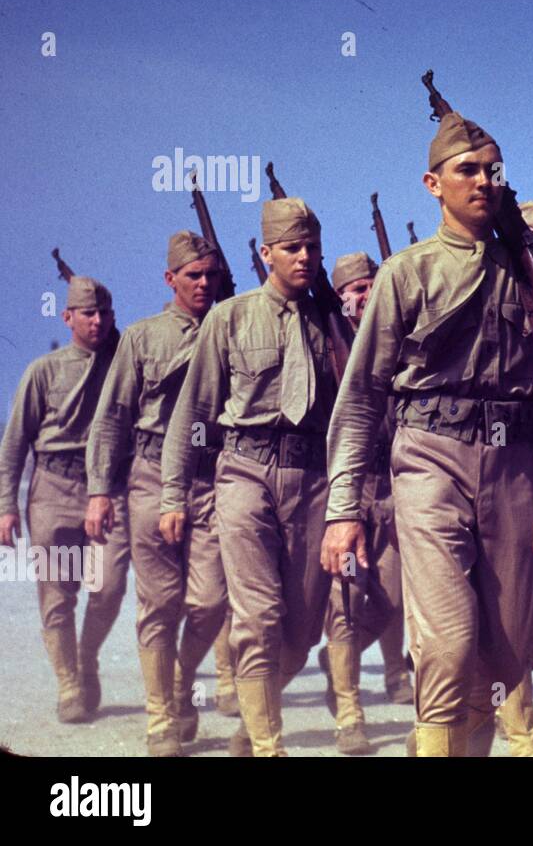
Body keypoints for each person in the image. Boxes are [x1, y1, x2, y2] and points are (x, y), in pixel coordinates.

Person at [323, 114, 533, 757]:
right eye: (467, 170)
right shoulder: (407, 273)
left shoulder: (528, 272)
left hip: (514, 463)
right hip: (429, 457)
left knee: (510, 648)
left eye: (493, 170)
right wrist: (343, 510)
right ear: (433, 183)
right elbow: (360, 400)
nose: (483, 181)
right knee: (449, 645)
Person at [161, 198, 337, 756]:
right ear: (266, 254)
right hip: (244, 472)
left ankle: (251, 722)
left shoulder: (333, 324)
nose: (304, 257)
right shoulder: (230, 317)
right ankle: (268, 745)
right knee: (257, 617)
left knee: (304, 628)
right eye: (291, 248)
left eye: (311, 247)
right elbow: (193, 414)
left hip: (312, 478)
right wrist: (174, 494)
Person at [85, 231, 229, 756]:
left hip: (212, 476)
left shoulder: (231, 326)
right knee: (160, 602)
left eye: (211, 276)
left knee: (212, 601)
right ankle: (160, 718)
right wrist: (100, 490)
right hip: (148, 475)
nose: (204, 285)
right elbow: (112, 418)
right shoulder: (142, 338)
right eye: (193, 276)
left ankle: (179, 676)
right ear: (170, 279)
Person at [0, 276, 131, 724]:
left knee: (110, 586)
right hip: (53, 488)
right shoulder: (43, 370)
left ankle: (88, 655)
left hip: (109, 489)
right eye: (88, 314)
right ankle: (69, 683)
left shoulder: (122, 364)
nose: (97, 321)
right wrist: (5, 505)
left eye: (105, 314)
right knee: (57, 595)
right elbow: (15, 442)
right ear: (68, 317)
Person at [313, 251, 412, 756]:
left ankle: (339, 666)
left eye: (373, 284)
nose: (366, 294)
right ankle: (350, 712)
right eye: (355, 289)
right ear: (342, 299)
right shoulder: (324, 347)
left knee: (393, 600)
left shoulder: (403, 340)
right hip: (344, 495)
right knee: (345, 605)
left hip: (394, 492)